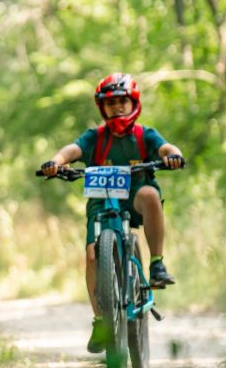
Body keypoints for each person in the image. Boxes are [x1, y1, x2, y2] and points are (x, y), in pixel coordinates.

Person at [39, 73, 185, 354]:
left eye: (122, 101)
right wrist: (56, 162)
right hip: (101, 201)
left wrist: (173, 155)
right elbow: (73, 150)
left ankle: (157, 263)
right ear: (102, 107)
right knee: (92, 256)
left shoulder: (144, 135)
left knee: (151, 194)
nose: (117, 107)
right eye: (110, 103)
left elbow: (166, 147)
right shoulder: (95, 137)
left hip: (135, 196)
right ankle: (100, 321)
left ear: (133, 103)